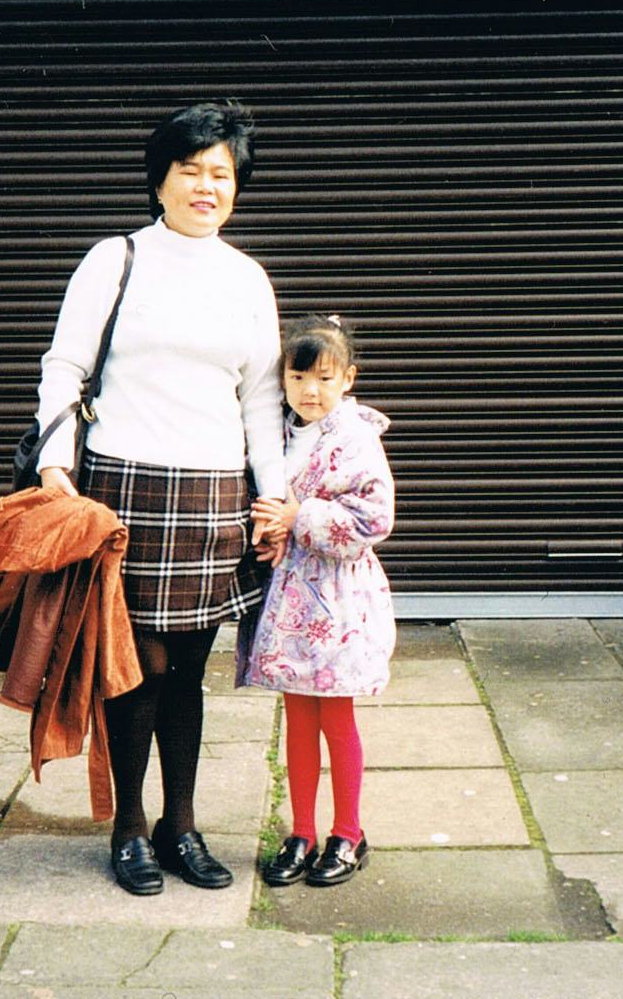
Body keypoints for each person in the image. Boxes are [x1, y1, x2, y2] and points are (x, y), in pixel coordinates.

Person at [34, 101, 286, 896]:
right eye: (192, 170)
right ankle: (129, 827)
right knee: (135, 666)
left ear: (237, 186)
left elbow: (261, 402)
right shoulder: (116, 259)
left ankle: (182, 825)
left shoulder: (248, 278)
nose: (206, 186)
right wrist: (55, 468)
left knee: (187, 673)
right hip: (124, 487)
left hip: (213, 494)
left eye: (222, 173)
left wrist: (272, 498)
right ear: (161, 179)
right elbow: (65, 367)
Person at [242, 315, 396, 888]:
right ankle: (301, 831)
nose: (311, 390)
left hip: (338, 601)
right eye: (299, 375)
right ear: (281, 380)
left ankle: (349, 833)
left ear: (348, 380)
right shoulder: (278, 432)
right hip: (290, 602)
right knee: (298, 717)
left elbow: (375, 517)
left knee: (336, 714)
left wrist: (299, 517)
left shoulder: (355, 437)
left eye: (325, 378)